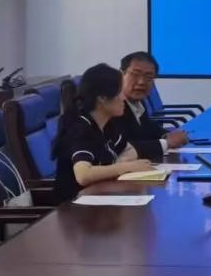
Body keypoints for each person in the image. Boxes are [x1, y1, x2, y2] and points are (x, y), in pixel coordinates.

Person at [52, 63, 153, 203]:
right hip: (73, 208)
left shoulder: (107, 124)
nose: (124, 98)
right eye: (119, 93)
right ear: (102, 98)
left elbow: (127, 148)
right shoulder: (81, 127)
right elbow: (83, 175)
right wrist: (126, 167)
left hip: (98, 198)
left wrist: (121, 162)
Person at [112, 51, 189, 161]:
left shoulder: (137, 101)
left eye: (148, 77)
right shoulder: (113, 106)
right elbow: (124, 147)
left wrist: (167, 135)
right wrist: (166, 143)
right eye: (135, 74)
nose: (141, 82)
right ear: (121, 74)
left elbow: (147, 127)